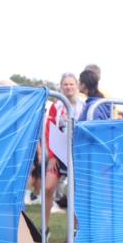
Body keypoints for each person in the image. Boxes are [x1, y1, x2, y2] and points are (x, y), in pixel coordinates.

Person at [43, 73, 84, 210]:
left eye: (71, 84)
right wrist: (52, 156)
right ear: (61, 87)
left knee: (76, 193)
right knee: (48, 187)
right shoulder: (56, 107)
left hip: (78, 155)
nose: (68, 87)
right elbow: (50, 130)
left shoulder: (83, 106)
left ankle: (75, 229)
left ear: (77, 86)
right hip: (58, 153)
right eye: (65, 84)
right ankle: (44, 229)